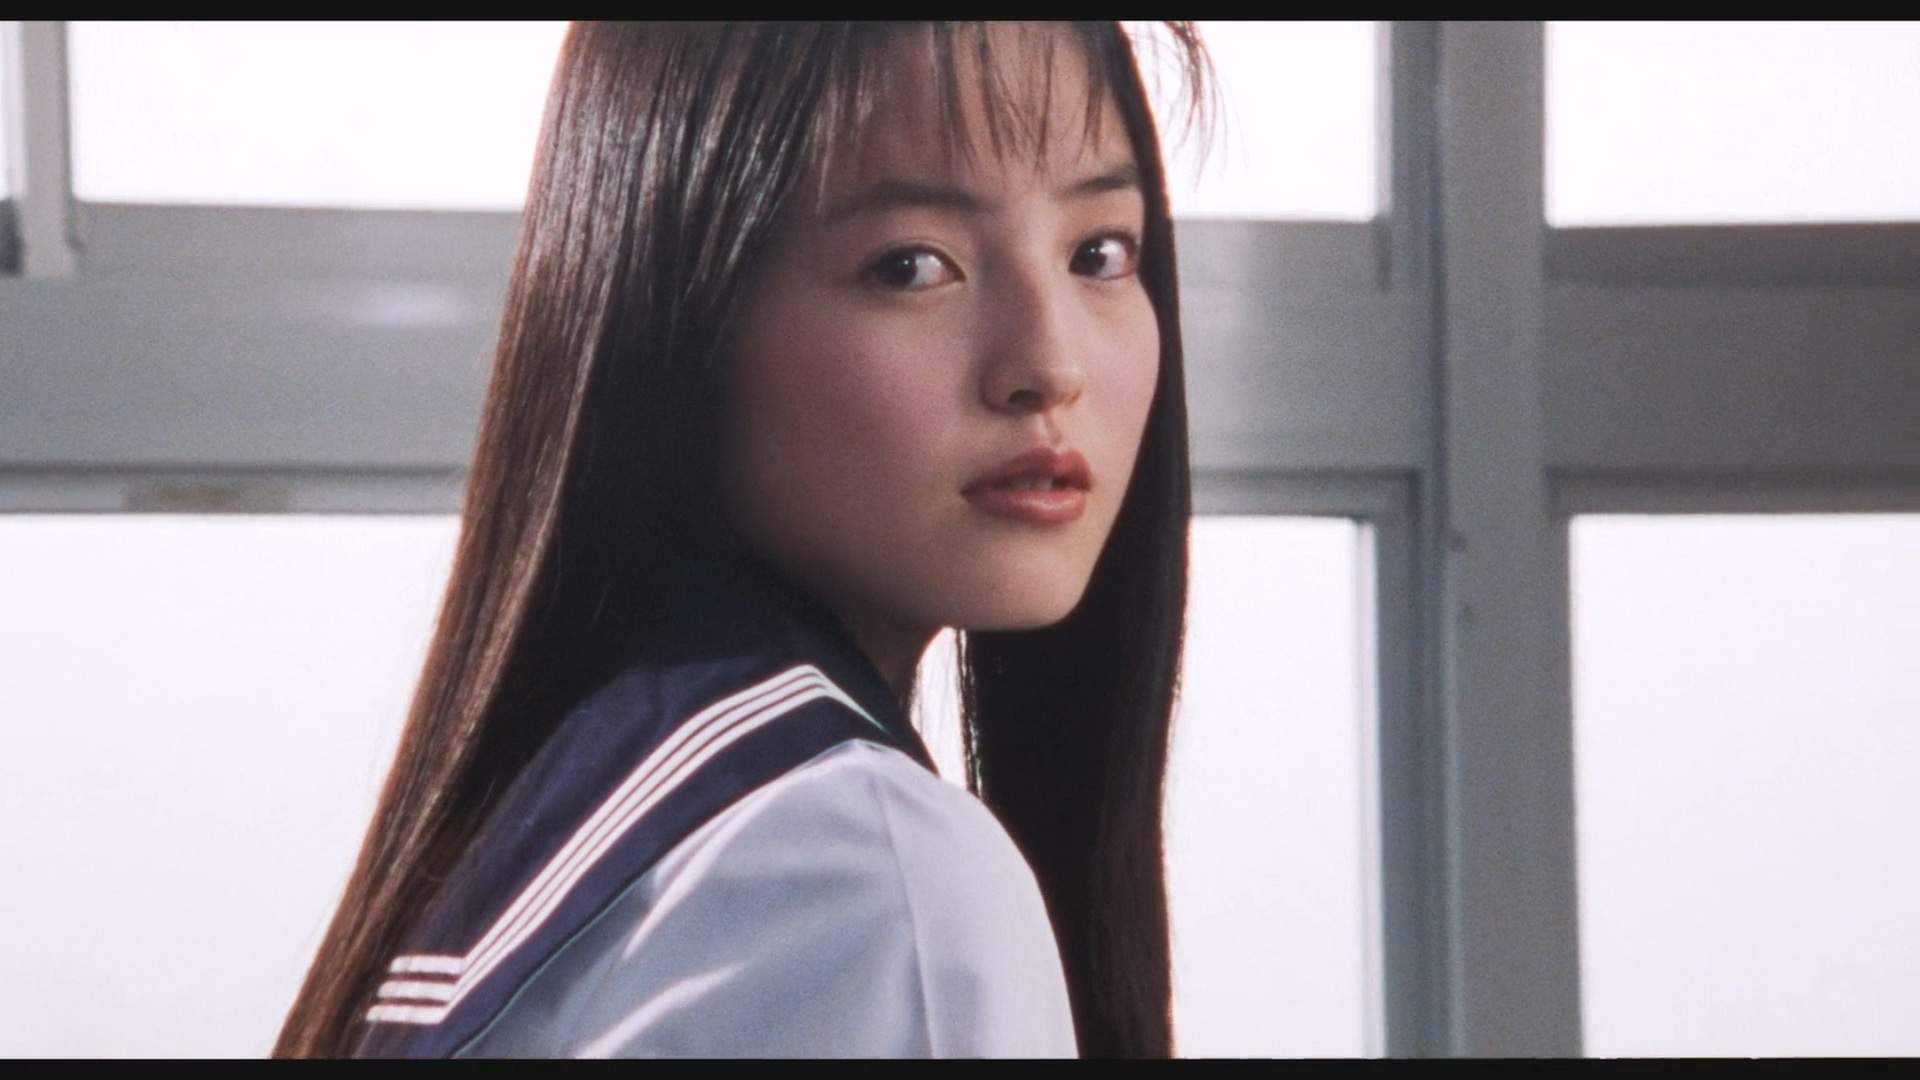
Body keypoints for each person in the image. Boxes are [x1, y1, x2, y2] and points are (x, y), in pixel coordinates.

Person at [273, 20, 1210, 1058]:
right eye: (910, 265)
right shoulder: (859, 867)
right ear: (682, 316)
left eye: (1099, 254)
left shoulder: (571, 836)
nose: (1049, 364)